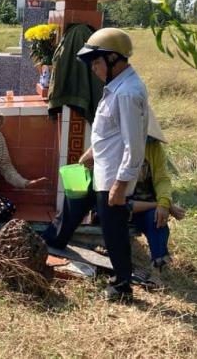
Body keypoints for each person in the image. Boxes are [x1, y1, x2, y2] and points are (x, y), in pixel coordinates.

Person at [43, 107, 185, 282]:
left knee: (157, 220)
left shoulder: (153, 147)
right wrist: (99, 148)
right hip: (115, 202)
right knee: (93, 200)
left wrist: (163, 204)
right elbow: (83, 162)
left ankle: (157, 269)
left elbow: (162, 179)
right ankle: (55, 239)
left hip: (142, 203)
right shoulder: (114, 141)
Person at [76, 27, 149, 301]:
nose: (94, 68)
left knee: (116, 233)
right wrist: (93, 151)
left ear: (113, 59)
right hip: (107, 171)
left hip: (115, 176)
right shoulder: (118, 87)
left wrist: (120, 184)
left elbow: (134, 144)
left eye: (96, 61)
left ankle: (122, 287)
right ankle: (120, 280)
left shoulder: (127, 93)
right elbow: (113, 131)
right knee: (111, 230)